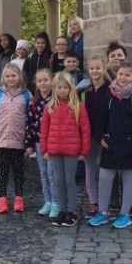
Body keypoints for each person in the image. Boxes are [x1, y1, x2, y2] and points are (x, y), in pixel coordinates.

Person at [88, 61, 132, 229]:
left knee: (128, 179)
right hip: (111, 143)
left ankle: (125, 214)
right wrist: (100, 136)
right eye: (121, 74)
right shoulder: (111, 93)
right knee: (105, 178)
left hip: (131, 146)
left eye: (127, 75)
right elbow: (101, 117)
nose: (123, 77)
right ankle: (103, 212)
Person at [41, 72, 91, 227]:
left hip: (71, 150)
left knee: (69, 181)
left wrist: (84, 150)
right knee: (58, 181)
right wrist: (44, 149)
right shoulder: (50, 107)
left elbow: (85, 129)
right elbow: (44, 129)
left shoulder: (77, 106)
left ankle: (72, 211)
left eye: (65, 88)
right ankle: (62, 210)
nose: (62, 91)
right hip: (54, 150)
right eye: (59, 88)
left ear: (71, 89)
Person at [0, 64, 30, 213]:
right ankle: (2, 199)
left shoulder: (26, 95)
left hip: (19, 141)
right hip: (2, 140)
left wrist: (29, 142)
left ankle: (19, 198)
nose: (10, 79)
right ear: (3, 78)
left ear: (19, 77)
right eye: (7, 76)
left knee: (18, 171)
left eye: (13, 76)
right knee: (2, 171)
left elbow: (31, 119)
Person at [25, 68, 56, 218]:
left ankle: (56, 202)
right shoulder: (34, 102)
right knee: (43, 173)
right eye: (40, 81)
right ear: (35, 83)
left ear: (51, 81)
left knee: (52, 173)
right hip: (38, 141)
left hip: (53, 142)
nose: (43, 83)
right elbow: (29, 123)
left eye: (46, 80)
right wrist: (29, 143)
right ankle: (47, 201)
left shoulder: (56, 100)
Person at [82, 55, 110, 218]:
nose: (95, 71)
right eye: (92, 68)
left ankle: (106, 202)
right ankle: (93, 202)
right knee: (90, 169)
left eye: (98, 68)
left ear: (103, 68)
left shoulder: (110, 88)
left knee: (106, 170)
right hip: (89, 135)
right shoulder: (85, 89)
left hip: (105, 135)